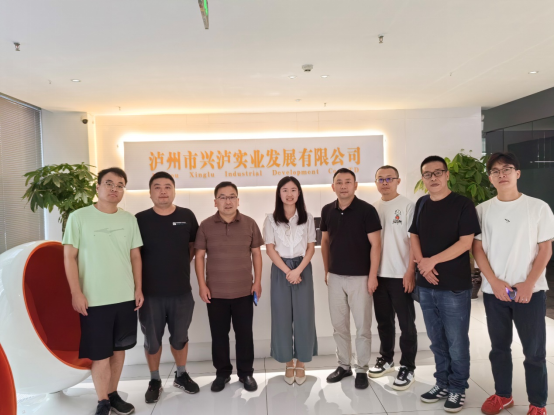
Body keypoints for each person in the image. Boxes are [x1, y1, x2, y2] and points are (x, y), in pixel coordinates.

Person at [473, 153, 554, 416]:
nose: (501, 174)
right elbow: (478, 249)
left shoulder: (538, 207)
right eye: (495, 171)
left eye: (507, 169)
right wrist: (493, 282)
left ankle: (538, 404)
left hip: (530, 292)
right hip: (495, 292)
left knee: (534, 352)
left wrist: (529, 283)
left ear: (517, 173)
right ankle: (503, 395)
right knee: (499, 349)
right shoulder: (482, 210)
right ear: (490, 178)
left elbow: (545, 249)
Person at [63, 168, 144, 416]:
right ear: (97, 187)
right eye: (109, 183)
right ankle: (102, 401)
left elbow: (135, 256)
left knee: (119, 350)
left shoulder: (129, 220)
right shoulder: (79, 217)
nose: (114, 189)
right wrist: (76, 292)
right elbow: (69, 257)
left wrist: (138, 288)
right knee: (100, 354)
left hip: (125, 297)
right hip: (94, 299)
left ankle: (113, 394)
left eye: (120, 185)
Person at [409, 156, 481, 414]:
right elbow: (414, 235)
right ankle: (442, 383)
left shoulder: (462, 204)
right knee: (436, 339)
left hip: (453, 285)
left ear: (447, 175)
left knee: (456, 341)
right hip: (426, 285)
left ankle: (458, 387)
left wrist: (431, 262)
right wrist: (423, 265)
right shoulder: (421, 203)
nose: (433, 178)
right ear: (423, 178)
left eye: (438, 172)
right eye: (427, 174)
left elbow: (465, 243)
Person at [136, 172, 200, 404]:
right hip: (150, 294)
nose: (163, 191)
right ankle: (154, 380)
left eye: (167, 187)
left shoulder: (187, 215)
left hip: (181, 292)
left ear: (174, 191)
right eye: (157, 187)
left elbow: (193, 247)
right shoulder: (140, 219)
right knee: (152, 340)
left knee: (180, 337)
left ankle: (181, 375)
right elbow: (134, 254)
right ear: (150, 192)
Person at [195, 182, 264, 393]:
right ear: (215, 201)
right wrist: (202, 285)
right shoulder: (205, 225)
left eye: (232, 196)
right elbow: (199, 257)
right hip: (215, 293)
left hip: (244, 290)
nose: (228, 201)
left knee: (245, 335)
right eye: (223, 197)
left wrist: (257, 282)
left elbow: (256, 254)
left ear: (238, 200)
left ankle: (246, 373)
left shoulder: (250, 223)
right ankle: (222, 373)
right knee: (219, 336)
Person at [321, 168, 382, 390]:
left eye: (348, 182)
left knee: (362, 326)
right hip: (336, 277)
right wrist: (327, 271)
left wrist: (372, 276)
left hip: (361, 278)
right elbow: (325, 242)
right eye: (339, 182)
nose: (343, 186)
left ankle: (362, 368)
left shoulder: (367, 210)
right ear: (333, 187)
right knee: (339, 326)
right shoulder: (327, 210)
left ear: (355, 185)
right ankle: (344, 365)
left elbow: (376, 245)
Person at [264, 176, 318, 386]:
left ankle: (301, 363)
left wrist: (298, 270)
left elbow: (311, 248)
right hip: (281, 269)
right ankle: (288, 362)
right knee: (282, 316)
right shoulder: (270, 219)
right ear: (279, 194)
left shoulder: (308, 217)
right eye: (284, 190)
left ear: (299, 193)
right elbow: (270, 249)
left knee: (304, 315)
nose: (289, 194)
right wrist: (289, 271)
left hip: (303, 267)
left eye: (293, 190)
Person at [370, 165, 418, 391]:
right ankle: (386, 358)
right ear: (376, 182)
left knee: (406, 324)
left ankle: (408, 366)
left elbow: (414, 242)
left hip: (401, 275)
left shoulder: (408, 206)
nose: (385, 182)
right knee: (384, 321)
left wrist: (410, 272)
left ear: (398, 181)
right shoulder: (373, 208)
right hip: (379, 275)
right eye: (381, 179)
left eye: (389, 178)